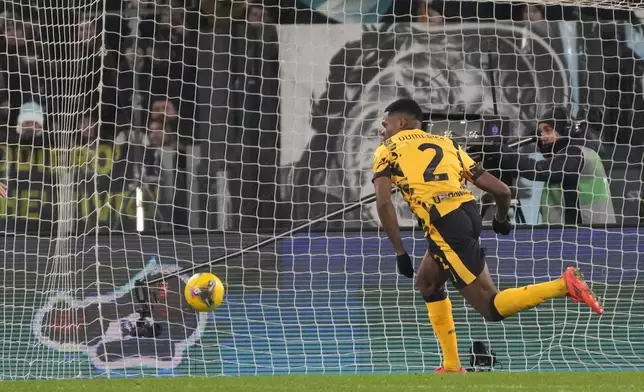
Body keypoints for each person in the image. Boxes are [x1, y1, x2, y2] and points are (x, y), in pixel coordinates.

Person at [371, 98, 604, 373]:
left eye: (384, 125)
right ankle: (451, 365)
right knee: (428, 283)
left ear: (401, 122)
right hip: (466, 213)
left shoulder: (387, 150)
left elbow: (384, 203)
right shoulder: (448, 144)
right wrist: (500, 218)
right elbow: (503, 191)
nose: (381, 131)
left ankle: (563, 286)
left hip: (444, 222)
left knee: (490, 307)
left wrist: (400, 252)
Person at [492, 106, 615, 225]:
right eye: (540, 132)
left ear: (565, 130)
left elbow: (539, 170)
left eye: (548, 130)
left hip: (587, 235)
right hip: (579, 233)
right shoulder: (576, 152)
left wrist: (501, 151)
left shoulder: (577, 153)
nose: (543, 137)